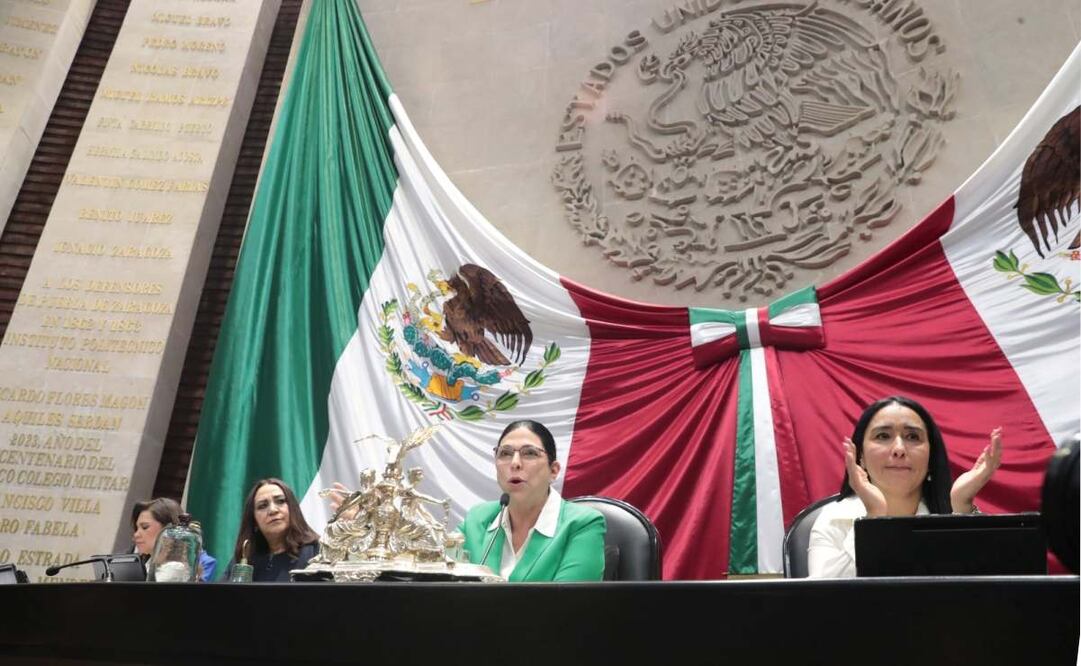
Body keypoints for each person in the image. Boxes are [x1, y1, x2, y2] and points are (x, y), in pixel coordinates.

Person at [807, 396, 1003, 578]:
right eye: (883, 436)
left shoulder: (955, 514)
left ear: (930, 457)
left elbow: (986, 597)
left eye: (912, 437)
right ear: (861, 457)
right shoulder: (833, 521)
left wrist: (962, 509)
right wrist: (873, 520)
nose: (899, 449)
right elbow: (821, 602)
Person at [458, 420, 606, 581]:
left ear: (553, 471)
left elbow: (570, 603)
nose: (514, 463)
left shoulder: (582, 524)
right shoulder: (477, 518)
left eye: (529, 453)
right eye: (505, 453)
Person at [223, 478, 320, 582]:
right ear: (254, 520)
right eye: (263, 506)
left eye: (280, 501)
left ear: (293, 509)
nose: (273, 510)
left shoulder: (316, 551)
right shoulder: (243, 560)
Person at [130, 497, 217, 582]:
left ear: (168, 528)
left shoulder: (175, 568)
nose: (136, 534)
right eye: (137, 528)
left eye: (145, 527)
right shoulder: (146, 564)